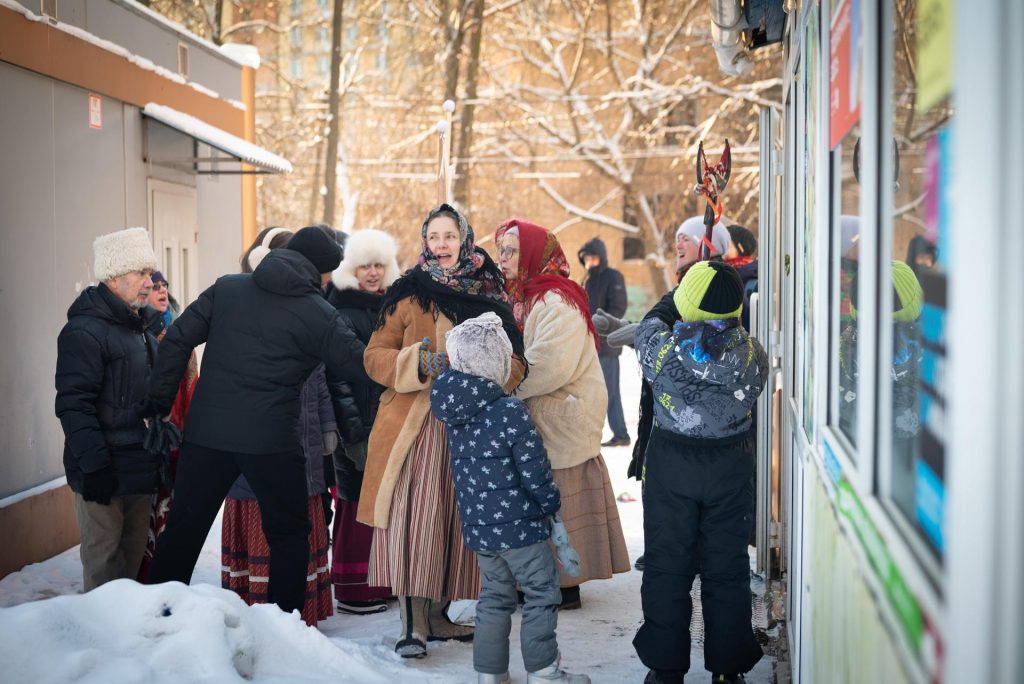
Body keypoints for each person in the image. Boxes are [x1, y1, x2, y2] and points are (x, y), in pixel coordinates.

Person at [146, 226, 361, 619]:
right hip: (271, 442)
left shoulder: (228, 288)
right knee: (289, 536)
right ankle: (281, 625)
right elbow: (359, 365)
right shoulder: (319, 313)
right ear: (321, 272)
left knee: (183, 533)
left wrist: (159, 403)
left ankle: (154, 619)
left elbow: (177, 339)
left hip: (206, 435)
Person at [359, 203, 527, 658]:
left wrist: (481, 369)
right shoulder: (408, 293)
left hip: (473, 428)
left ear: (465, 239)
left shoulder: (491, 294)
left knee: (457, 523)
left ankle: (439, 615)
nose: (442, 245)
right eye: (434, 237)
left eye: (450, 236)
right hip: (415, 431)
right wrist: (417, 361)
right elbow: (374, 356)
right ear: (424, 242)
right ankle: (413, 626)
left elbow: (516, 364)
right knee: (417, 524)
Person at [431, 312, 590, 684]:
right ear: (496, 362)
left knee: (494, 598)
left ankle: (490, 673)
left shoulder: (457, 413)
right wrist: (550, 505)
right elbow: (534, 470)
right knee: (541, 592)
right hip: (521, 529)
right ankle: (543, 670)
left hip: (481, 529)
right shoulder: (509, 411)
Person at [632, 261, 768, 684]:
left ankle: (666, 666)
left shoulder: (663, 350)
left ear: (686, 305)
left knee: (667, 564)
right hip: (731, 465)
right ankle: (728, 668)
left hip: (674, 465)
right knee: (726, 567)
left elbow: (649, 323)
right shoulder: (752, 354)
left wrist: (676, 299)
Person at [495, 220, 630, 609]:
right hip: (541, 418)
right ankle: (538, 582)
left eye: (511, 252)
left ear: (535, 255)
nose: (502, 259)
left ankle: (563, 584)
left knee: (560, 498)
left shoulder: (556, 300)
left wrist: (497, 384)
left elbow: (546, 366)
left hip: (562, 417)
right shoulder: (524, 296)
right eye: (500, 250)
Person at [55, 227, 162, 591]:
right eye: (141, 274)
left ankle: (125, 643)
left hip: (138, 463)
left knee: (131, 563)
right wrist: (95, 464)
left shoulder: (140, 329)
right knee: (103, 568)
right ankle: (100, 643)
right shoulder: (84, 331)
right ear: (114, 277)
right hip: (101, 468)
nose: (149, 283)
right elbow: (73, 404)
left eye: (150, 274)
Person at [325, 228, 401, 615]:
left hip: (385, 420)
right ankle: (354, 587)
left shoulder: (389, 305)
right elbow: (339, 380)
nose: (372, 273)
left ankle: (379, 580)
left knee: (381, 505)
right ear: (350, 269)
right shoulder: (342, 310)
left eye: (378, 265)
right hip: (358, 426)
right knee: (356, 506)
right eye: (364, 266)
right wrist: (353, 434)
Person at [136, 271, 198, 582]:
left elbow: (191, 390)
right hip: (146, 441)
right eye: (155, 286)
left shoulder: (179, 334)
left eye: (165, 286)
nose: (161, 291)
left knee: (170, 519)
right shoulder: (138, 334)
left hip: (176, 441)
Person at [575, 237, 629, 447]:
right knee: (587, 392)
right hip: (588, 344)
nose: (590, 260)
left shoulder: (613, 277)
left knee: (610, 392)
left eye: (593, 256)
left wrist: (603, 327)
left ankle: (621, 434)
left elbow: (618, 307)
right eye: (586, 257)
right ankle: (588, 434)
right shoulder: (586, 279)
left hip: (607, 344)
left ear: (602, 257)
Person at [724, 225, 759, 332]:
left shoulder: (752, 280)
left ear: (740, 248)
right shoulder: (724, 273)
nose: (721, 248)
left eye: (726, 243)